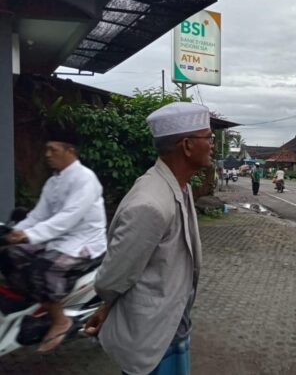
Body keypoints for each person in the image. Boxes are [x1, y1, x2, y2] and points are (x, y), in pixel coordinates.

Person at [84, 102, 211, 375]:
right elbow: (113, 278)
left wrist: (106, 308)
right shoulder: (150, 204)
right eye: (208, 137)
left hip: (173, 327)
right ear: (187, 145)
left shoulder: (181, 187)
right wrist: (107, 304)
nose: (212, 144)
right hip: (151, 339)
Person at [0, 128, 107, 352]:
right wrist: (14, 233)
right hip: (56, 239)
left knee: (41, 269)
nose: (47, 154)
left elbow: (69, 217)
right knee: (9, 256)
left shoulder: (85, 179)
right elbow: (38, 216)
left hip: (82, 243)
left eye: (53, 149)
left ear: (70, 151)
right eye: (47, 149)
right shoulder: (53, 182)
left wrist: (29, 236)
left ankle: (59, 319)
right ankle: (29, 310)